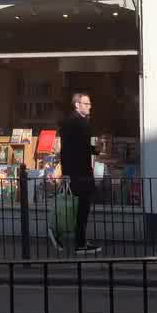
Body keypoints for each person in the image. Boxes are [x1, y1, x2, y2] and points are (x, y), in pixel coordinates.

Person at [58, 92, 101, 254]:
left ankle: (79, 240)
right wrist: (67, 173)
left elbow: (75, 147)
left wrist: (93, 150)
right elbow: (71, 149)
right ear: (77, 105)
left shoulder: (75, 121)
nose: (89, 106)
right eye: (86, 103)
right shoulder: (77, 122)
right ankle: (79, 243)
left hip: (76, 171)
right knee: (82, 207)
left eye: (89, 104)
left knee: (79, 207)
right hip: (80, 172)